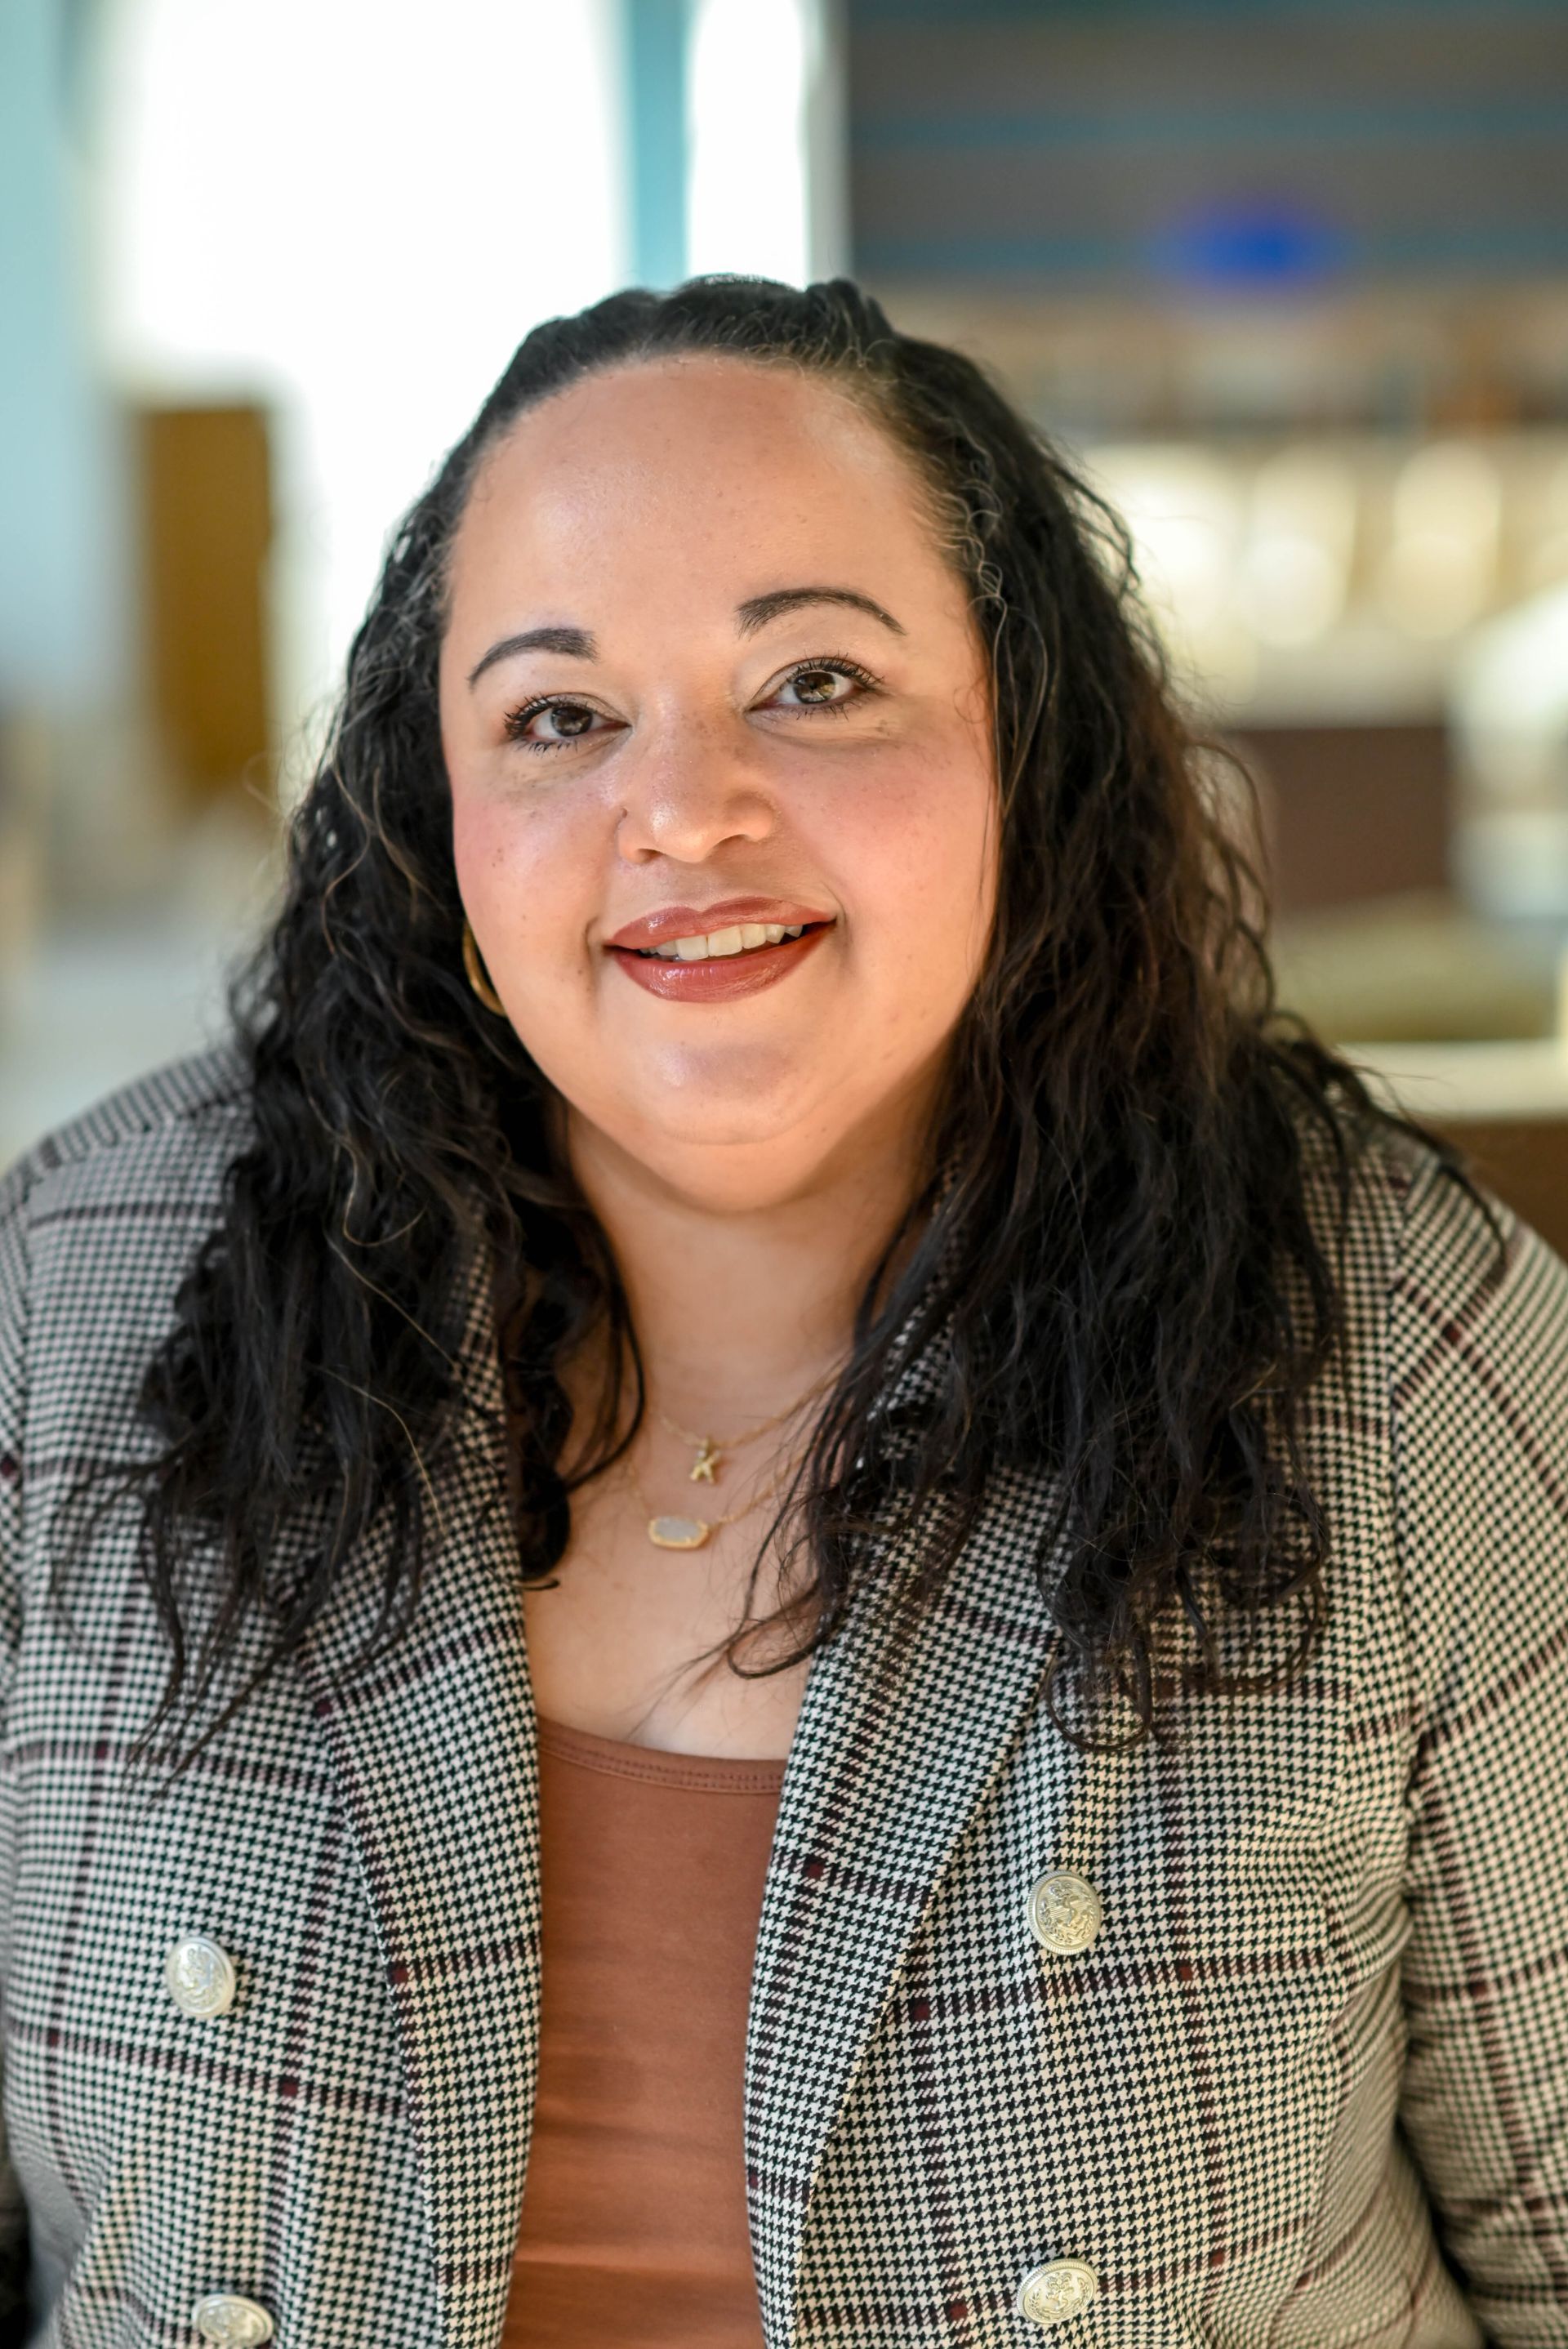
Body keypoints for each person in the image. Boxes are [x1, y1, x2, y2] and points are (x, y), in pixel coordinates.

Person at [1, 275, 1564, 2349]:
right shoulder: (71, 1291)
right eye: (558, 716)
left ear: (1028, 739)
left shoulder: (1391, 1343)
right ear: (434, 815)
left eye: (815, 679)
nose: (684, 811)